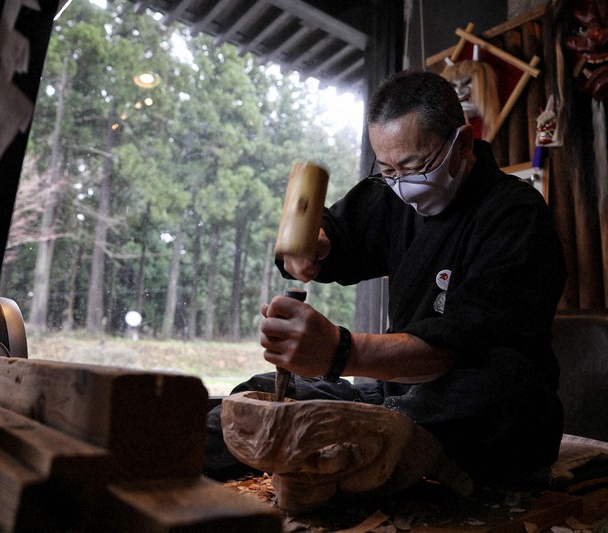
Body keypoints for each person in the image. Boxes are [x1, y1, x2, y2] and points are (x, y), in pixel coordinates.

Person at [205, 69, 567, 490]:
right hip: (396, 395)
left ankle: (381, 443)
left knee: (501, 384)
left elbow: (448, 349)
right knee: (262, 398)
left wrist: (338, 351)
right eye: (387, 169)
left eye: (414, 166)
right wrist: (311, 248)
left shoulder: (515, 214)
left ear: (462, 143)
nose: (401, 184)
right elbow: (335, 232)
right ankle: (153, 467)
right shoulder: (392, 192)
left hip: (478, 407)